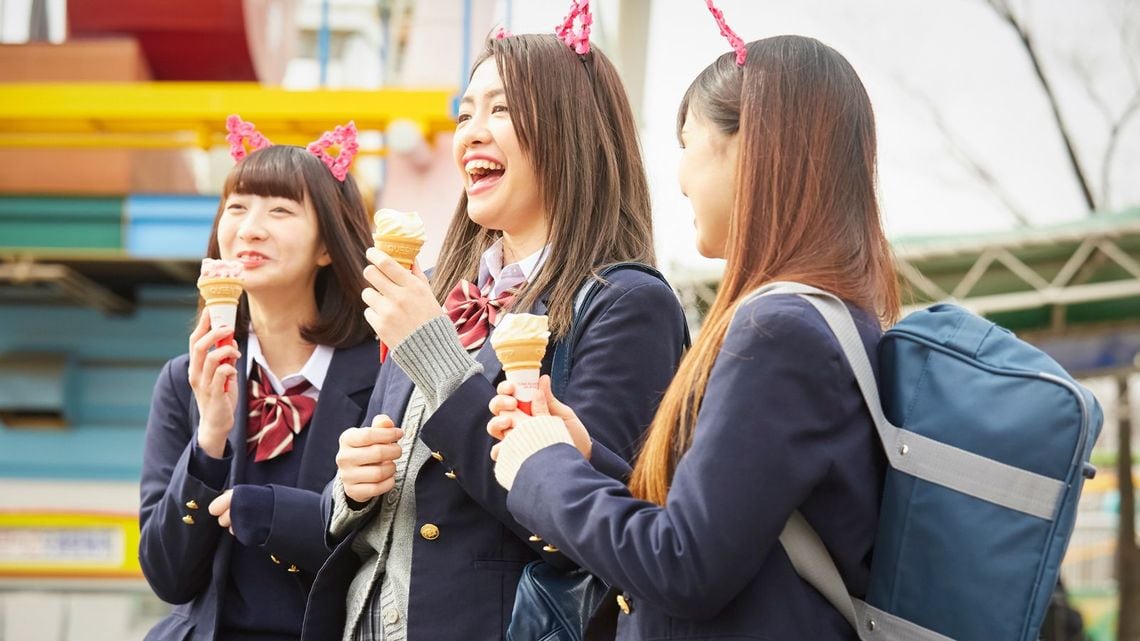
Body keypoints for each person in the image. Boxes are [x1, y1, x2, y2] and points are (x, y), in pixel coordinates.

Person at [487, 33, 902, 640]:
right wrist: (584, 456)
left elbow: (683, 566)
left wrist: (544, 469)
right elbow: (721, 529)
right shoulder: (829, 318)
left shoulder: (779, 332)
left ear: (752, 149)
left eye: (686, 145)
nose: (679, 176)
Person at [302, 30, 688, 641]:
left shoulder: (628, 303)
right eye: (465, 112)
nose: (471, 132)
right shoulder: (436, 290)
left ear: (571, 130)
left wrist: (435, 357)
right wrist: (349, 489)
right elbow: (393, 500)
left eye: (501, 109)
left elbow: (600, 531)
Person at [139, 120, 379, 641]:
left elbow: (392, 551)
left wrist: (274, 515)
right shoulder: (185, 380)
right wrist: (211, 437)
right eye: (237, 207)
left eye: (280, 210)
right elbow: (168, 577)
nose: (250, 228)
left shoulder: (386, 373)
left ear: (326, 245)